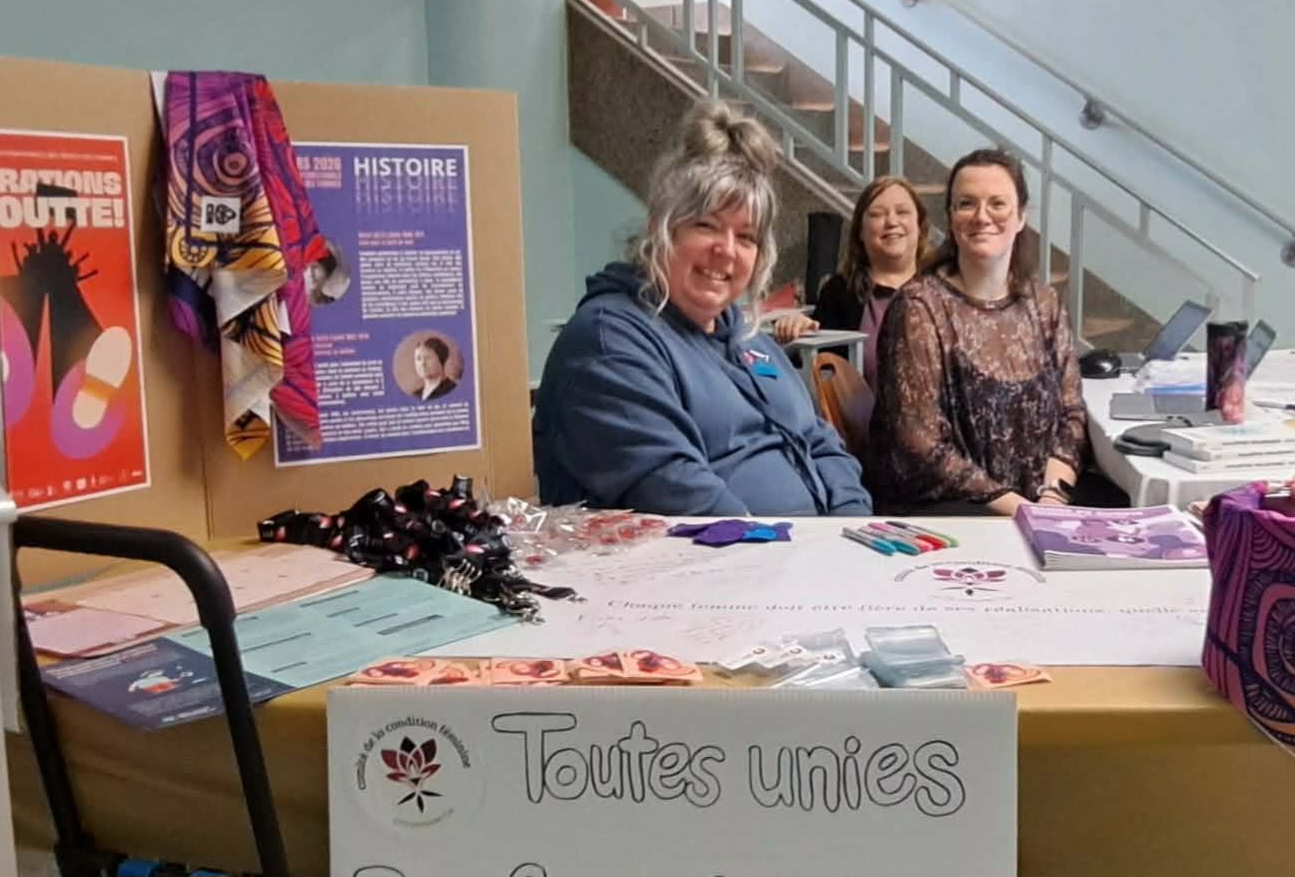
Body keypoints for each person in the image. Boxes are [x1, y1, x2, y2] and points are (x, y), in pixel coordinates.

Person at [532, 100, 872, 517]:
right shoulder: (607, 343)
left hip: (815, 549)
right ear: (659, 227)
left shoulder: (750, 340)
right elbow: (680, 497)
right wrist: (801, 550)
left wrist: (848, 533)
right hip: (719, 555)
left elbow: (821, 442)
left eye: (746, 237)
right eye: (706, 225)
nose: (726, 250)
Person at [867, 147, 1101, 516]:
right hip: (947, 508)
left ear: (1021, 216)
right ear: (950, 217)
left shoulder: (1044, 304)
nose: (981, 216)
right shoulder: (918, 307)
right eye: (966, 204)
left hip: (1037, 503)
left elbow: (1071, 416)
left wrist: (1052, 499)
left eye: (998, 204)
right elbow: (920, 446)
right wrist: (1026, 512)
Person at [771, 176, 932, 391]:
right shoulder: (839, 293)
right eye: (877, 214)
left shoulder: (944, 288)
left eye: (902, 212)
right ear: (860, 232)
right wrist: (798, 330)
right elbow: (816, 372)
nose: (892, 222)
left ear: (920, 226)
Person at [412, 336, 457, 401]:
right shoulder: (416, 394)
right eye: (418, 358)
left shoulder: (450, 389)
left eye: (428, 358)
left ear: (441, 360)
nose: (422, 363)